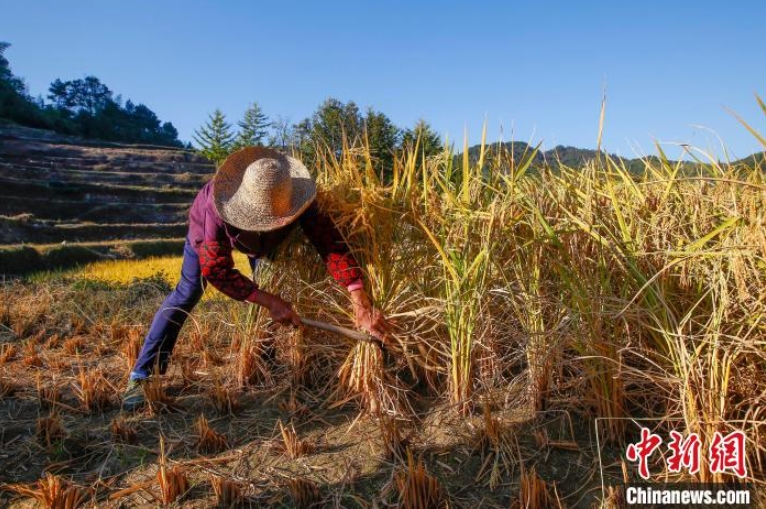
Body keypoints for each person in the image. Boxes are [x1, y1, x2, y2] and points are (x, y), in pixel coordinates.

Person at [122, 147, 391, 411]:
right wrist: (268, 300)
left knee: (268, 283)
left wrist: (359, 298)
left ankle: (265, 357)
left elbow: (329, 244)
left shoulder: (295, 196)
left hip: (266, 245)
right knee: (187, 292)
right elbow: (216, 269)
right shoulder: (216, 207)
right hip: (209, 235)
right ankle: (142, 375)